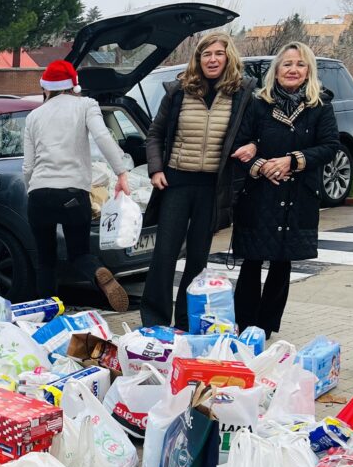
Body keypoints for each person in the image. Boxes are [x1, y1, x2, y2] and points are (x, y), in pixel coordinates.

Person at [140, 32, 257, 330]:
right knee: (164, 254)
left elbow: (257, 133)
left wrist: (255, 146)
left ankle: (186, 321)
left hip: (211, 188)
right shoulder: (178, 91)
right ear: (198, 58)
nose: (213, 59)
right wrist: (156, 169)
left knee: (197, 260)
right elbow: (154, 134)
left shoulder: (241, 94)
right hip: (176, 184)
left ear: (228, 57)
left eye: (218, 53)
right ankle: (154, 320)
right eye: (206, 54)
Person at [229, 42, 339, 337]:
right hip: (260, 193)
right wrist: (262, 164)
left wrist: (293, 161)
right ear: (276, 71)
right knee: (252, 260)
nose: (293, 69)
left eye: (300, 64)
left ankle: (265, 327)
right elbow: (239, 144)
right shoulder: (257, 103)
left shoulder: (320, 106)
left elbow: (330, 146)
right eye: (287, 63)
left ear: (308, 71)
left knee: (281, 262)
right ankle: (244, 322)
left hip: (297, 194)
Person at [22, 59, 131, 312]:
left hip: (39, 194)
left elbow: (28, 166)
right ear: (74, 86)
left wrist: (33, 189)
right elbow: (103, 137)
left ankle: (49, 314)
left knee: (46, 261)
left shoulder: (33, 116)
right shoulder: (86, 105)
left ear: (45, 87)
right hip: (73, 193)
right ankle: (98, 271)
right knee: (79, 253)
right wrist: (121, 173)